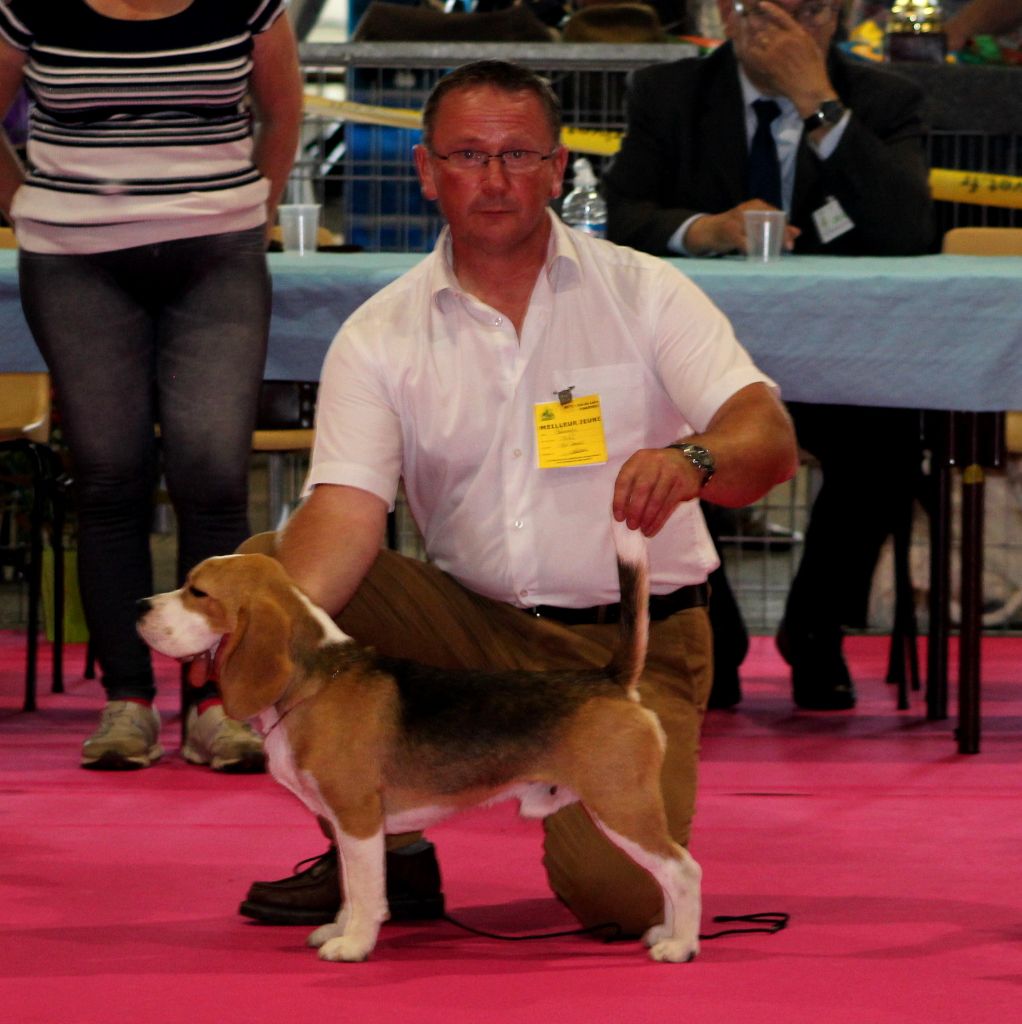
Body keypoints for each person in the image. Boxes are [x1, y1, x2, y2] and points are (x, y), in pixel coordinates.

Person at [235, 59, 798, 936]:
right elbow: (345, 511)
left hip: (637, 644)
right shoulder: (379, 333)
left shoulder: (647, 290)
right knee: (267, 574)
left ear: (560, 167)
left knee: (623, 903)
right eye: (467, 154)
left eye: (518, 155)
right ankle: (383, 847)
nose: (493, 179)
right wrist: (257, 646)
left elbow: (767, 438)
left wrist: (694, 457)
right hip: (474, 630)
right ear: (425, 170)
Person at [603, 0, 934, 711]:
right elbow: (621, 214)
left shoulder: (883, 98)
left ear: (840, 15)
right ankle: (713, 624)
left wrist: (818, 103)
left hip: (847, 370)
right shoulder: (669, 94)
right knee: (660, 436)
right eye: (767, 8)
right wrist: (701, 229)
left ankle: (816, 624)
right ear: (728, 12)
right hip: (699, 372)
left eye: (810, 10)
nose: (787, 29)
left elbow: (910, 227)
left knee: (890, 442)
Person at [0, 1, 303, 769]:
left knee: (211, 476)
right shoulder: (26, 5)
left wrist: (249, 209)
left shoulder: (251, 2)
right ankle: (126, 703)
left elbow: (283, 108)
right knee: (109, 478)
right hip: (74, 262)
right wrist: (27, 208)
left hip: (217, 256)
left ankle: (215, 703)